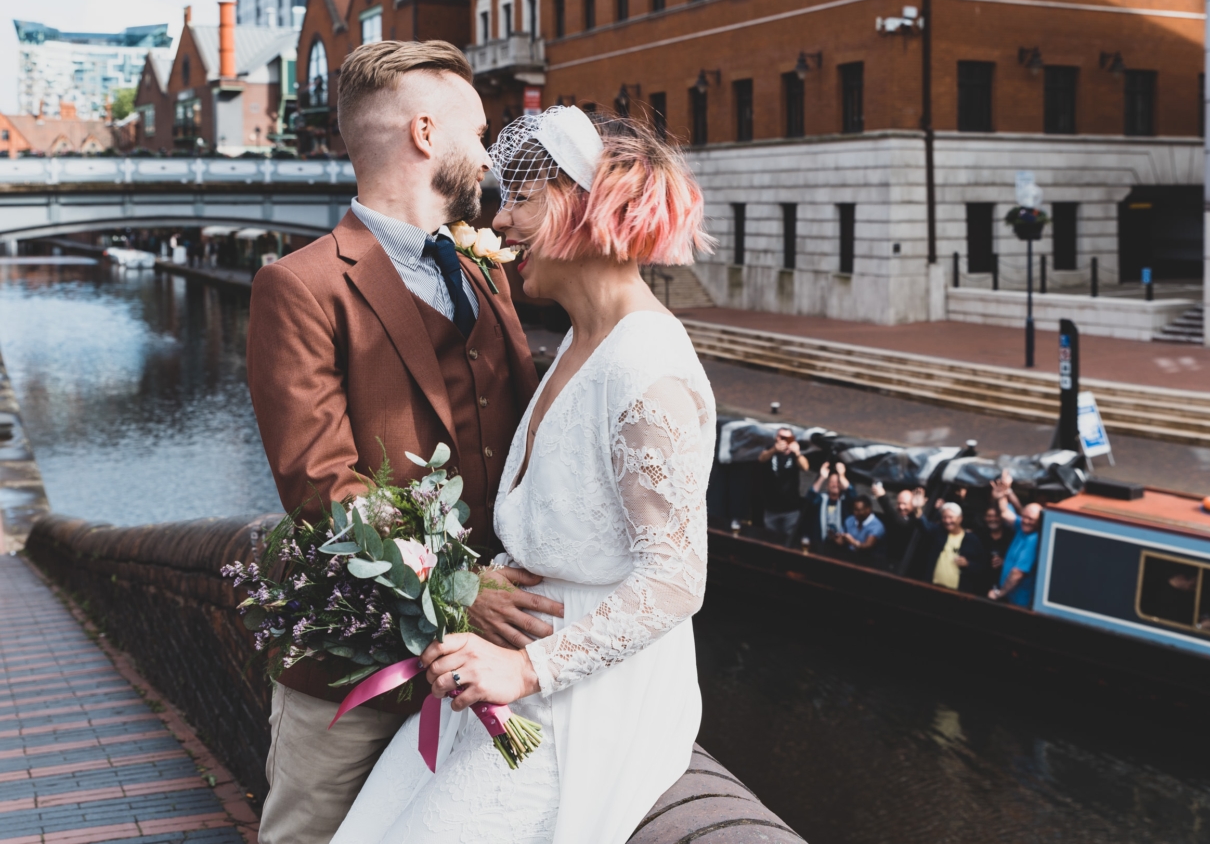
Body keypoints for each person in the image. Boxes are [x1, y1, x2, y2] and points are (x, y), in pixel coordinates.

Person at [334, 106, 715, 843]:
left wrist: (527, 670)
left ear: (580, 201)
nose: (500, 221)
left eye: (521, 199)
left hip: (583, 702)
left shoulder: (644, 364)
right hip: (508, 676)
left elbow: (675, 580)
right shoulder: (580, 341)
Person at [245, 41, 565, 844]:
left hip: (486, 666)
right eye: (478, 128)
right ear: (426, 132)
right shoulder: (301, 286)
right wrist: (461, 589)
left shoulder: (484, 270)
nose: (488, 152)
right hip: (357, 669)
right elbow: (321, 484)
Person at [988, 470, 1042, 608]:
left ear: (1039, 522)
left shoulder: (1033, 539)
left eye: (1031, 519)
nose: (1026, 521)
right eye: (1024, 517)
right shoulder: (1022, 527)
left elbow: (1017, 573)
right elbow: (1005, 513)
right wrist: (1000, 496)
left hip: (1018, 602)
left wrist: (999, 593)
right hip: (1009, 597)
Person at [909, 502, 988, 594]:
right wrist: (916, 507)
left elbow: (982, 567)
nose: (947, 521)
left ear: (960, 518)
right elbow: (923, 523)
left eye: (951, 517)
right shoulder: (938, 532)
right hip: (931, 587)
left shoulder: (972, 540)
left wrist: (968, 564)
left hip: (957, 593)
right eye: (944, 517)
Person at [757, 427, 808, 546]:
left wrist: (797, 452)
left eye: (788, 438)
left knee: (789, 542)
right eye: (782, 437)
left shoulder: (794, 455)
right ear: (776, 438)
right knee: (770, 540)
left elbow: (805, 467)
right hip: (771, 509)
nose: (784, 441)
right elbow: (761, 458)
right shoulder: (770, 450)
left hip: (790, 510)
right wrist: (774, 449)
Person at [806, 461, 854, 550]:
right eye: (831, 482)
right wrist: (822, 477)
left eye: (837, 482)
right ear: (827, 486)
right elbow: (810, 497)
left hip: (841, 546)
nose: (835, 484)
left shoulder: (845, 501)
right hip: (820, 543)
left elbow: (852, 494)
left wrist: (842, 476)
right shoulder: (821, 499)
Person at [837, 494, 886, 566]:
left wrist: (853, 542)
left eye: (859, 510)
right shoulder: (850, 520)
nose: (855, 513)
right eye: (854, 509)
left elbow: (868, 546)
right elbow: (840, 540)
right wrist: (836, 538)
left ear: (868, 509)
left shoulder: (877, 526)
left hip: (870, 562)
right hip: (848, 559)